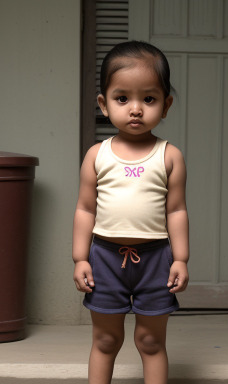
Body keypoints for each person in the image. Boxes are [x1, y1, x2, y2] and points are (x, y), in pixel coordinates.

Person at [72, 40, 189, 384]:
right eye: (122, 98)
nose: (135, 109)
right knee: (106, 340)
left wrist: (180, 258)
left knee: (150, 341)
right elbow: (84, 208)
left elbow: (177, 210)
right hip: (105, 258)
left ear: (165, 105)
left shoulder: (170, 156)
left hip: (156, 260)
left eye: (148, 99)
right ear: (104, 104)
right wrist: (80, 257)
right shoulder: (97, 155)